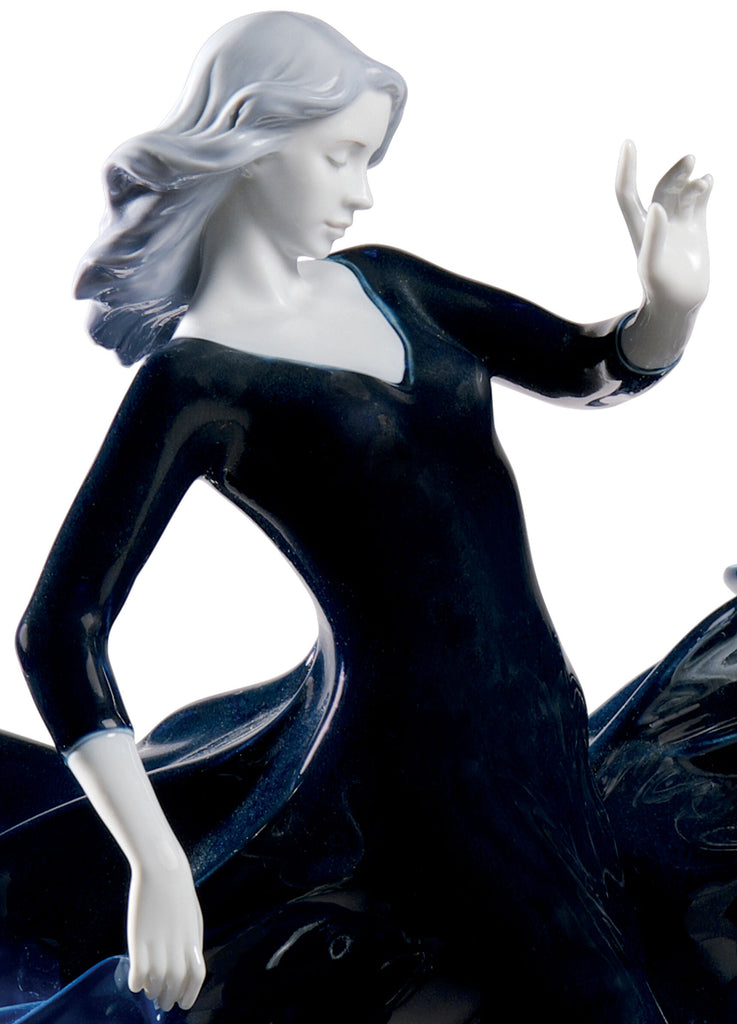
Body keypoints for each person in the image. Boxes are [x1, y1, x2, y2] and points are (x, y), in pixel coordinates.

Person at [9, 11, 715, 1023]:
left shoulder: (389, 284)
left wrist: (668, 309)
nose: (362, 191)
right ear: (254, 141)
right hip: (418, 771)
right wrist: (154, 864)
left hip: (536, 723)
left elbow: (586, 366)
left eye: (369, 161)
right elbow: (59, 628)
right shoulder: (197, 382)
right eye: (340, 156)